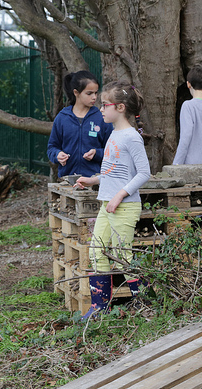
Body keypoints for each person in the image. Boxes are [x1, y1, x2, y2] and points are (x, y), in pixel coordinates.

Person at [74, 81, 150, 319]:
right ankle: (100, 308)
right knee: (97, 252)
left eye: (104, 105)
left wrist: (119, 195)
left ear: (119, 107)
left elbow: (144, 173)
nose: (101, 109)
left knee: (122, 256)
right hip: (107, 205)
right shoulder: (114, 135)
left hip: (124, 207)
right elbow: (113, 173)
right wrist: (93, 180)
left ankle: (147, 304)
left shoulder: (131, 137)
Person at [46, 71, 113, 178]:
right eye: (89, 93)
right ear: (76, 93)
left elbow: (112, 150)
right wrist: (57, 155)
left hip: (96, 180)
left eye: (96, 93)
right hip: (67, 180)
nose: (94, 97)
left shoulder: (102, 117)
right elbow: (52, 148)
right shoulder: (62, 118)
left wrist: (97, 153)